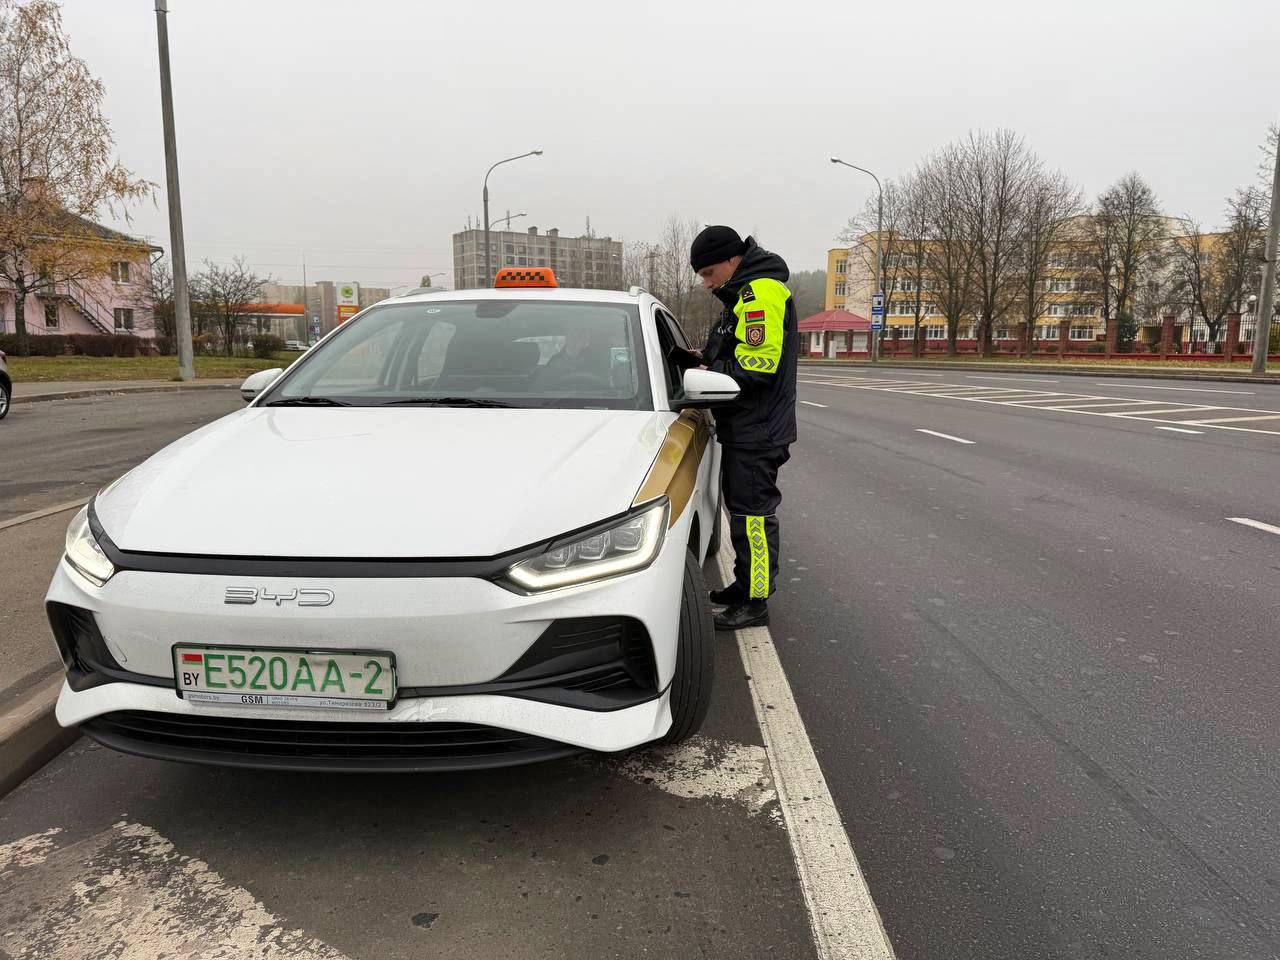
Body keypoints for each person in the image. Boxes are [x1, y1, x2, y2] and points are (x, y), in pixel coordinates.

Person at [687, 225, 797, 629]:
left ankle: (755, 602)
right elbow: (735, 349)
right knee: (744, 513)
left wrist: (710, 372)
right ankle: (745, 585)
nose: (705, 282)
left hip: (758, 428)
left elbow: (757, 367)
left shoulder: (759, 292)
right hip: (750, 426)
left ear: (733, 260)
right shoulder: (741, 293)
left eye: (709, 272)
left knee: (753, 516)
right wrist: (700, 358)